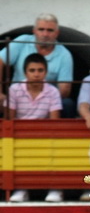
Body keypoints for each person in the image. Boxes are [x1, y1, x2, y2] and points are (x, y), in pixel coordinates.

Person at [7, 53, 63, 203]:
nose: (36, 74)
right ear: (25, 73)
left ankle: (55, 188)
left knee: (56, 145)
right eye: (32, 70)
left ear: (45, 72)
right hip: (20, 134)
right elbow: (9, 119)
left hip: (44, 133)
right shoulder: (14, 89)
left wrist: (41, 134)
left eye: (40, 70)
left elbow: (54, 122)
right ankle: (21, 188)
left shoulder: (53, 91)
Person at [0, 13, 73, 117]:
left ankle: (61, 132)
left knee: (67, 104)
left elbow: (65, 89)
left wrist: (45, 101)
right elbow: (0, 60)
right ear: (34, 31)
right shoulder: (22, 41)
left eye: (50, 30)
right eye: (41, 29)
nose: (45, 34)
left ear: (57, 33)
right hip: (16, 96)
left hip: (47, 100)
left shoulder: (64, 55)